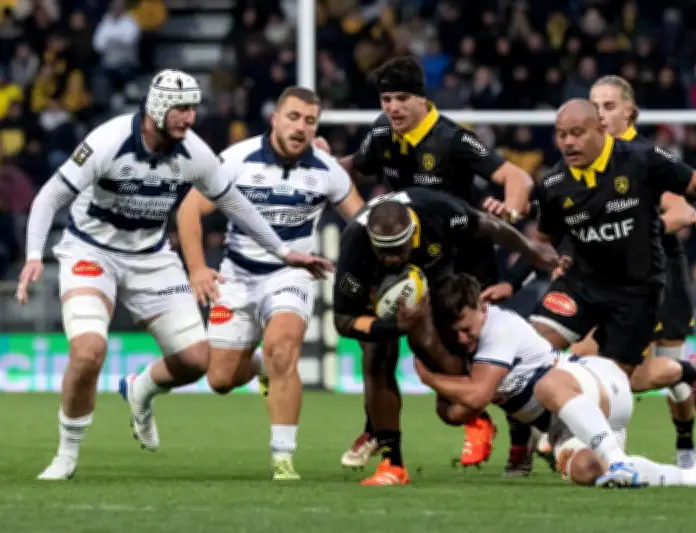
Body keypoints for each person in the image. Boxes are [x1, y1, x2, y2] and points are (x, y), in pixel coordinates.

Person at [16, 69, 332, 481]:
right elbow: (49, 197)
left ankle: (141, 389)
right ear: (158, 107)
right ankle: (66, 454)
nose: (191, 118)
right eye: (182, 109)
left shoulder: (195, 153)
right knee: (89, 350)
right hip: (89, 252)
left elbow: (237, 206)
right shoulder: (107, 141)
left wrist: (283, 251)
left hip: (150, 256)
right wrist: (34, 253)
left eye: (193, 109)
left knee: (197, 360)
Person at [484, 98, 696, 456]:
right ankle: (541, 438)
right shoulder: (554, 184)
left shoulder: (642, 159)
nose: (568, 142)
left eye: (577, 133)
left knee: (616, 382)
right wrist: (512, 282)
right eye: (562, 135)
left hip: (635, 291)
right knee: (526, 348)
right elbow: (543, 244)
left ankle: (682, 372)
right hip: (580, 284)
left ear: (601, 130)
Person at [335, 56, 537, 470]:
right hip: (408, 257)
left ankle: (516, 433)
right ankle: (379, 429)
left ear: (423, 100)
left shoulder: (454, 140)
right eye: (386, 98)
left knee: (477, 353)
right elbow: (350, 169)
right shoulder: (381, 133)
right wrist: (318, 163)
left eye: (402, 98)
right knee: (377, 347)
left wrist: (512, 210)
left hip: (465, 259)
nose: (392, 107)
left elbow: (517, 177)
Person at [165, 86, 364, 481]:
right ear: (274, 119)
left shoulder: (327, 170)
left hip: (291, 273)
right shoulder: (237, 159)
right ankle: (260, 370)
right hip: (236, 275)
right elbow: (190, 208)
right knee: (220, 379)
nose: (301, 127)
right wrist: (197, 268)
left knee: (283, 348)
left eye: (310, 121)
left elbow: (361, 223)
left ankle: (283, 457)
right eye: (293, 117)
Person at [412, 273, 696, 489]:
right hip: (568, 424)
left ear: (482, 308)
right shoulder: (470, 346)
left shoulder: (497, 327)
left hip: (591, 383)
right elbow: (455, 413)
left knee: (553, 384)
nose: (461, 339)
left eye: (465, 328)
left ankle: (689, 370)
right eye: (453, 333)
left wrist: (430, 377)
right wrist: (443, 389)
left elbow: (474, 397)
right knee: (587, 472)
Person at [333, 187, 558, 485]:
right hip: (380, 296)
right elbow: (343, 320)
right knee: (376, 355)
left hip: (442, 274)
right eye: (383, 251)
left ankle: (504, 417)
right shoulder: (354, 245)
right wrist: (393, 327)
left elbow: (489, 225)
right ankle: (392, 464)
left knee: (444, 342)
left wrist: (530, 250)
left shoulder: (439, 212)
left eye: (399, 249)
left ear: (413, 233)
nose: (391, 259)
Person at [587, 75, 696, 467]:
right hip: (616, 282)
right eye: (595, 106)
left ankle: (685, 446)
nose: (600, 115)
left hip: (662, 275)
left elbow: (681, 212)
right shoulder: (589, 157)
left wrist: (630, 229)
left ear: (629, 111)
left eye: (608, 106)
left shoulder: (643, 155)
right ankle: (606, 449)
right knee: (611, 369)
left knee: (670, 385)